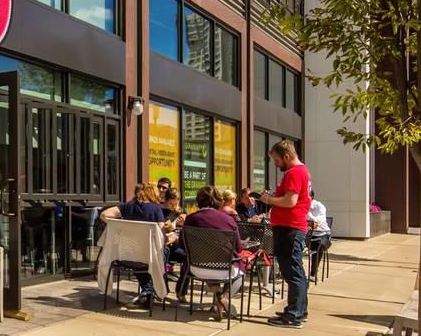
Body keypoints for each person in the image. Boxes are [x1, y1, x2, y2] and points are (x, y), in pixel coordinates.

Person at [260, 139, 311, 328]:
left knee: (292, 272)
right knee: (295, 271)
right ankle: (298, 310)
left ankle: (294, 315)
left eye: (277, 160)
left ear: (286, 156)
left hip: (290, 228)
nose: (276, 163)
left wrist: (268, 199)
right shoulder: (300, 171)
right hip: (291, 227)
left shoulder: (294, 172)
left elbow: (290, 202)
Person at [100, 183, 177, 309]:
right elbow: (161, 239)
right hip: (147, 258)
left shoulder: (127, 206)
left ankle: (148, 292)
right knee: (164, 251)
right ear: (152, 194)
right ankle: (151, 291)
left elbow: (104, 215)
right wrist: (172, 237)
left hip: (127, 256)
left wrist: (117, 226)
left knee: (139, 255)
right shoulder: (155, 209)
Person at [181, 185, 245, 321]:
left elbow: (182, 244)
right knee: (240, 272)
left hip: (197, 267)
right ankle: (225, 296)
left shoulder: (190, 218)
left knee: (211, 269)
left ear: (198, 200)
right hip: (224, 268)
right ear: (218, 201)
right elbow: (238, 248)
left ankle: (218, 300)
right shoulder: (228, 220)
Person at [307, 189, 332, 276]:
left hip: (322, 234)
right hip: (307, 234)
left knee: (318, 245)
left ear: (311, 197)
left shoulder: (319, 206)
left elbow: (316, 223)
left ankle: (313, 272)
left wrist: (306, 211)